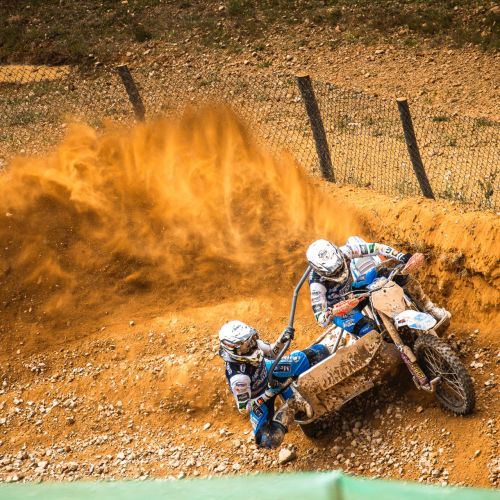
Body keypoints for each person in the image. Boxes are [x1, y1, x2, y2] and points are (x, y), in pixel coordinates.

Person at [219, 320, 330, 449]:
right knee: (267, 440)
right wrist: (269, 394)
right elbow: (244, 408)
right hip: (259, 396)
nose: (252, 345)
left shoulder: (254, 346)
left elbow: (271, 352)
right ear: (234, 350)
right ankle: (292, 405)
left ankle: (299, 393)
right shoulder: (239, 378)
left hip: (269, 370)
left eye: (251, 339)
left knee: (319, 353)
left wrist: (281, 340)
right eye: (245, 344)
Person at [306, 237, 451, 334]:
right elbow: (320, 319)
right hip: (341, 309)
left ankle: (429, 307)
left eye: (339, 267)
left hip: (354, 291)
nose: (339, 271)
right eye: (333, 272)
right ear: (319, 270)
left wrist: (400, 256)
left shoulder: (346, 252)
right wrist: (332, 312)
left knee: (393, 271)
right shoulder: (316, 284)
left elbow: (376, 248)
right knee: (370, 332)